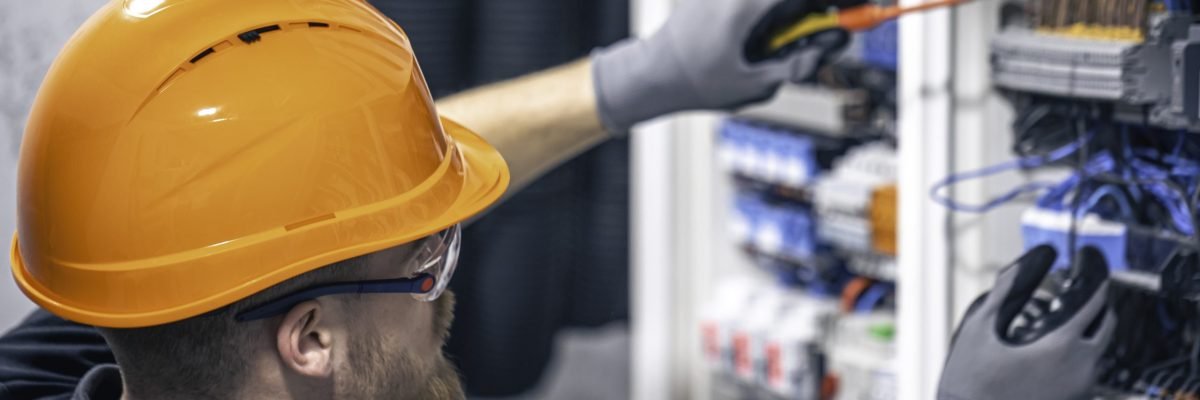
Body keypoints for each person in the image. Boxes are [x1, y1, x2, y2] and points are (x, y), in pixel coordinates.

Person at [0, 0, 850, 398]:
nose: (444, 294)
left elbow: (318, 178)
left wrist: (643, 79)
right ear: (312, 338)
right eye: (428, 264)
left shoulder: (137, 318)